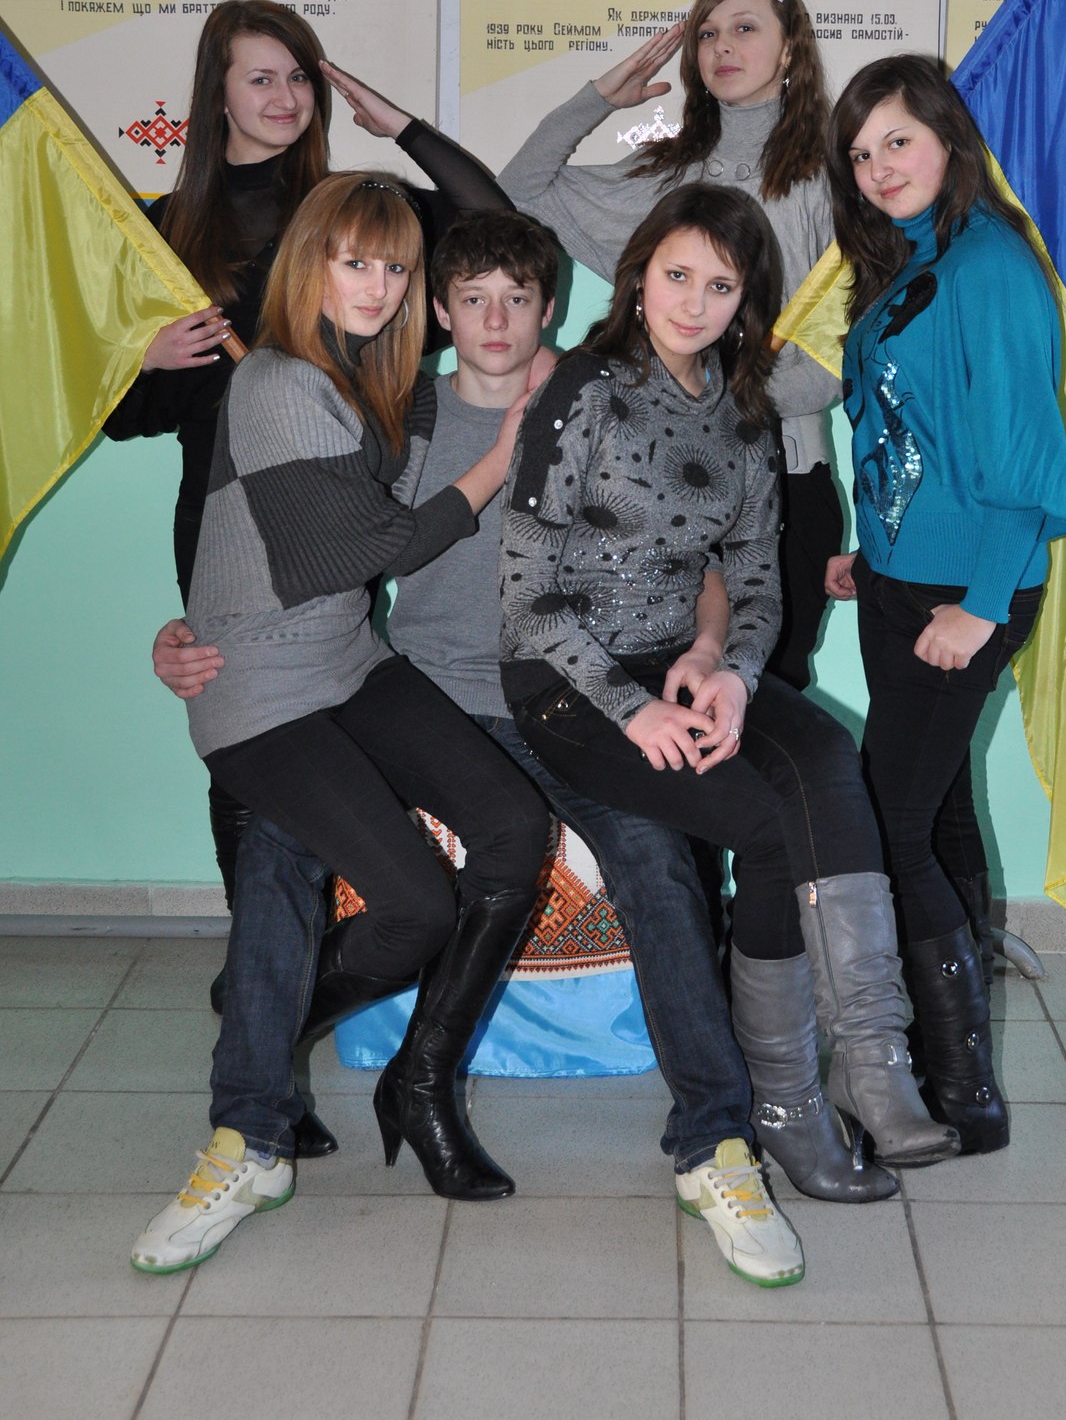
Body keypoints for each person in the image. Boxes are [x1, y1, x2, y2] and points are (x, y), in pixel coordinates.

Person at [153, 205, 892, 1285]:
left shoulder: (594, 398)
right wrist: (187, 628)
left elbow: (703, 553)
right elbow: (270, 526)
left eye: (518, 298)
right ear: (437, 309)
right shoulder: (393, 407)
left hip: (564, 701)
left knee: (654, 862)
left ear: (552, 308)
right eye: (470, 299)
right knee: (280, 844)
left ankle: (713, 1144)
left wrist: (707, 647)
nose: (494, 320)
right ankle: (254, 1120)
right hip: (412, 687)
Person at [499, 183, 960, 1281]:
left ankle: (870, 1062)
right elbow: (524, 598)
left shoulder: (744, 409)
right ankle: (788, 1105)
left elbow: (754, 576)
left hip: (685, 658)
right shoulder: (582, 390)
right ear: (639, 274)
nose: (694, 304)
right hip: (569, 683)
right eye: (677, 276)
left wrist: (731, 672)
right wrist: (637, 707)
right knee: (766, 822)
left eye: (720, 285)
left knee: (827, 757)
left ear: (747, 298)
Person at [103, 0, 512, 1153]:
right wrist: (138, 356)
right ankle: (266, 1034)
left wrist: (405, 126)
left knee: (319, 739)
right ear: (216, 92)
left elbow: (494, 227)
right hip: (229, 520)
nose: (284, 97)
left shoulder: (348, 209)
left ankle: (268, 1015)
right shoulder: (164, 229)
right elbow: (120, 413)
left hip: (348, 522)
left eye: (299, 77)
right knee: (258, 801)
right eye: (260, 77)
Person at [130, 174, 550, 1276]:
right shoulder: (275, 380)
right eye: (353, 261)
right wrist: (506, 447)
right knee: (409, 904)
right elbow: (361, 552)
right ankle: (247, 1128)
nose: (377, 285)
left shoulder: (370, 375)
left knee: (512, 825)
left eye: (396, 267)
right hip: (259, 688)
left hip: (350, 660)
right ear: (308, 261)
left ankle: (281, 1039)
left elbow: (495, 235)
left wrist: (548, 360)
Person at [824, 55, 1066, 1153]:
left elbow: (1026, 458)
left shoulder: (990, 265)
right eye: (861, 151)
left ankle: (962, 1088)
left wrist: (977, 605)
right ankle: (942, 1058)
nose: (880, 166)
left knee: (889, 822)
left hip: (966, 588)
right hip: (902, 578)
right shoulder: (911, 259)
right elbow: (909, 429)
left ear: (948, 139)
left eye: (899, 140)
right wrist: (874, 549)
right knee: (933, 809)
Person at [497, 0, 843, 690]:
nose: (722, 46)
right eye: (707, 33)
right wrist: (597, 100)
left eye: (745, 28)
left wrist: (726, 404)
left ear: (790, 50)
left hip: (785, 475)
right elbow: (520, 189)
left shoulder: (832, 174)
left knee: (767, 695)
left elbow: (832, 367)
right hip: (659, 484)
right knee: (666, 689)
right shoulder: (670, 171)